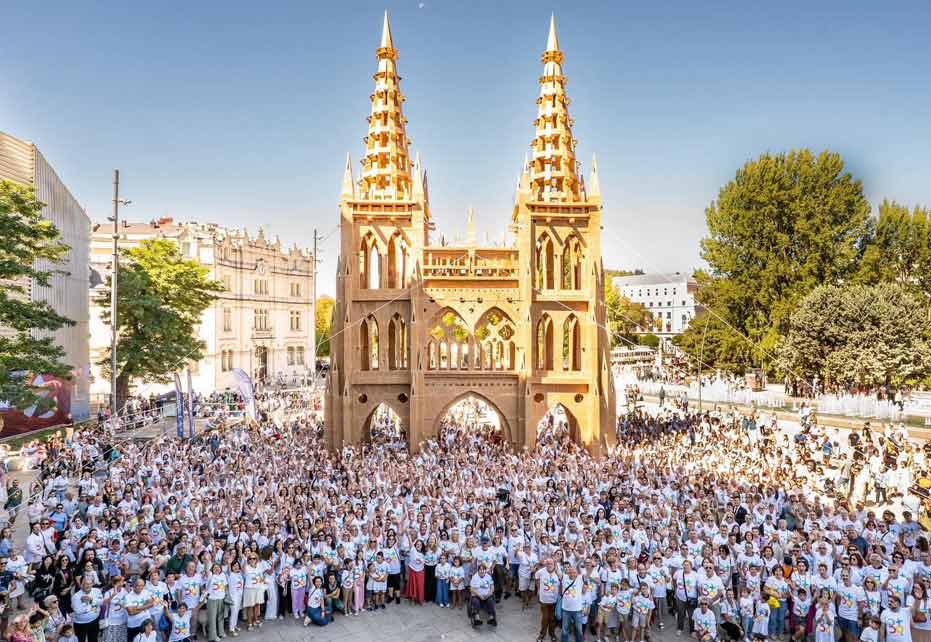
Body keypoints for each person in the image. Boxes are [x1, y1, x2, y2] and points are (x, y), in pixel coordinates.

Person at [71, 577, 103, 642]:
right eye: (86, 584)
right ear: (81, 584)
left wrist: (91, 600)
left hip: (94, 621)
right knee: (80, 640)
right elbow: (78, 611)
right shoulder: (76, 596)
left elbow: (102, 602)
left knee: (93, 640)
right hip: (80, 624)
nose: (88, 586)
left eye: (90, 583)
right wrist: (89, 604)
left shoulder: (97, 591)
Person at [560, 565, 585, 642]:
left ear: (577, 573)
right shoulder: (564, 578)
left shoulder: (580, 579)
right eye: (570, 572)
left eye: (574, 572)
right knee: (565, 628)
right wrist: (554, 561)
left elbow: (588, 573)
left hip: (577, 609)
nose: (572, 574)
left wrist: (592, 566)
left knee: (579, 629)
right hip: (566, 609)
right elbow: (557, 571)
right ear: (568, 573)